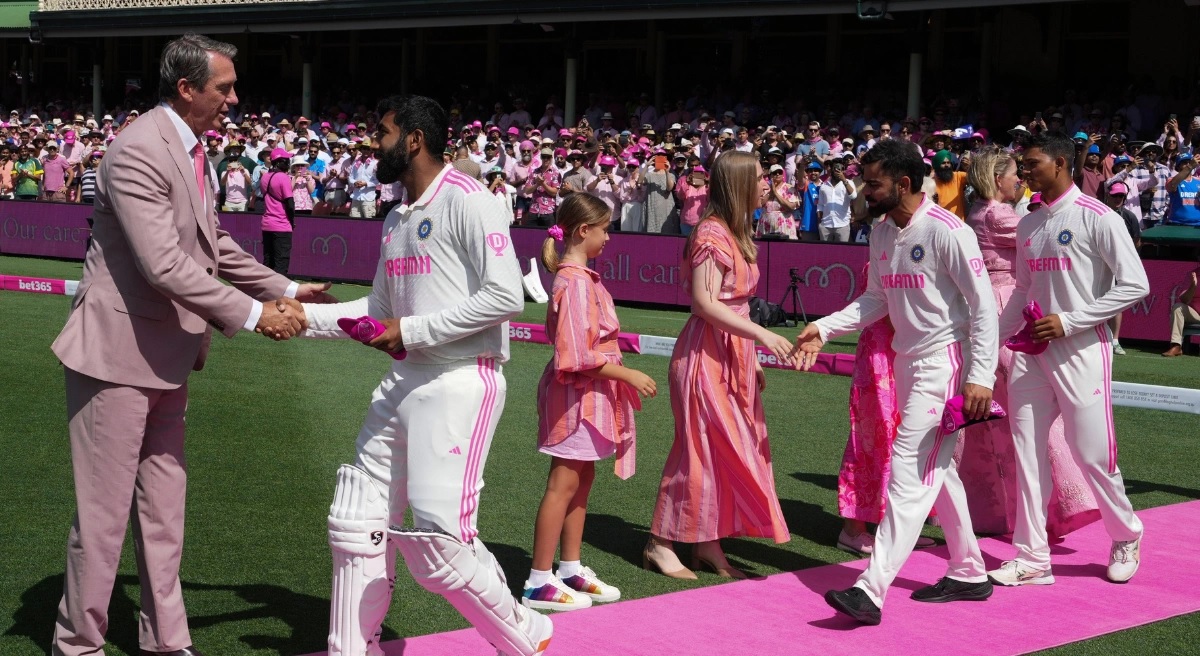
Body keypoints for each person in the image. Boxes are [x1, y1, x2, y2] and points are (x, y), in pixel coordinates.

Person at [48, 34, 333, 656]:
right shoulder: (138, 150)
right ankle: (78, 645)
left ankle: (167, 642)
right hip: (115, 357)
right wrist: (258, 314)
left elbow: (212, 245)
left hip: (166, 356)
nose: (234, 98)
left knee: (163, 514)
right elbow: (164, 264)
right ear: (187, 88)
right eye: (223, 87)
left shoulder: (190, 148)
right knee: (102, 520)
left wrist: (286, 286)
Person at [296, 94, 551, 656]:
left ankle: (525, 634)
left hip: (460, 380)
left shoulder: (472, 201)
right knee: (355, 518)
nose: (373, 144)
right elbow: (378, 311)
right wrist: (297, 317)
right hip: (403, 383)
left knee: (439, 550)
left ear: (413, 138)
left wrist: (411, 332)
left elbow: (507, 296)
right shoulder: (395, 218)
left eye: (382, 133)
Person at [795, 139, 997, 625]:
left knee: (908, 473)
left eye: (873, 183)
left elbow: (983, 305)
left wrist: (980, 375)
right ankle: (969, 570)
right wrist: (823, 327)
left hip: (943, 365)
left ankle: (871, 588)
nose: (866, 191)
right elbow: (875, 300)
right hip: (908, 363)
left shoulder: (949, 230)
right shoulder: (883, 232)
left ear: (903, 184)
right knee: (938, 472)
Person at [989, 131, 1148, 589]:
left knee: (1092, 455)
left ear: (1060, 163)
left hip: (1081, 350)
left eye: (1032, 163)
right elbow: (1021, 291)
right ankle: (1033, 558)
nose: (1024, 172)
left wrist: (1070, 321)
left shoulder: (1098, 217)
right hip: (1030, 354)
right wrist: (991, 342)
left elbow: (1135, 285)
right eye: (1021, 165)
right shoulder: (1028, 224)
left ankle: (1126, 533)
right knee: (1028, 454)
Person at [645, 151, 795, 581]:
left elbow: (731, 305)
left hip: (732, 353)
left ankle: (705, 539)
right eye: (761, 177)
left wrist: (751, 356)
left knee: (724, 449)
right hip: (705, 354)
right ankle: (660, 541)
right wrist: (762, 336)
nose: (767, 184)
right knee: (698, 449)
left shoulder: (734, 230)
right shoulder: (711, 232)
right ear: (740, 184)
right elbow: (704, 302)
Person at [523, 193, 656, 613]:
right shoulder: (575, 281)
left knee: (581, 482)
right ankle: (539, 580)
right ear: (584, 230)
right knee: (563, 484)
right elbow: (575, 356)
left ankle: (569, 567)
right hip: (576, 398)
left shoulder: (578, 278)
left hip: (589, 396)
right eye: (605, 229)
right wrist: (626, 372)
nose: (609, 238)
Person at [959, 146, 1101, 536]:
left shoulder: (977, 212)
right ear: (996, 178)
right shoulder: (1000, 214)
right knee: (1034, 416)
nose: (1019, 180)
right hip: (1010, 308)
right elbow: (1042, 236)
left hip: (992, 310)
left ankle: (1005, 511)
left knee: (999, 421)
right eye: (1013, 174)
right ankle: (1063, 505)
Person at [259, 147, 294, 274]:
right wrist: (292, 221)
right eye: (286, 160)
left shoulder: (265, 177)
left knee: (268, 260)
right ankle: (280, 291)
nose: (288, 163)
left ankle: (265, 290)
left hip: (267, 224)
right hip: (281, 224)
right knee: (281, 261)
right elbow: (290, 202)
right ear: (279, 162)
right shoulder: (283, 177)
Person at [1162, 266, 1200, 357]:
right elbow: (1184, 300)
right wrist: (1193, 286)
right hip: (1196, 314)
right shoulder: (1192, 274)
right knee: (1178, 307)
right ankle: (1176, 346)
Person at [817, 158, 858, 242]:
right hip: (825, 225)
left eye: (841, 169)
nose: (838, 170)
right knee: (825, 252)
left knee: (842, 253)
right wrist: (819, 223)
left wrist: (844, 180)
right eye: (835, 168)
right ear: (831, 169)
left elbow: (853, 196)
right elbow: (820, 205)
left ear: (844, 170)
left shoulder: (849, 182)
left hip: (842, 224)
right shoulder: (824, 185)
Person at [756, 163, 798, 239]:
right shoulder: (766, 188)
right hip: (766, 222)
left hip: (783, 221)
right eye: (775, 173)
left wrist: (776, 194)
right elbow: (760, 204)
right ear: (770, 175)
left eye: (780, 172)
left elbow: (791, 206)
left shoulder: (789, 188)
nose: (778, 174)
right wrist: (771, 192)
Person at [524, 146, 560, 226]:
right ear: (541, 157)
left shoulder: (555, 173)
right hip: (534, 210)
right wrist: (537, 184)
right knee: (531, 236)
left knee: (549, 237)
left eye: (548, 157)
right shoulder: (534, 172)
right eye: (544, 157)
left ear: (551, 158)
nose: (546, 159)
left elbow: (554, 193)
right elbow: (527, 191)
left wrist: (543, 184)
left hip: (548, 211)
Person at [931, 149, 969, 218]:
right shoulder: (931, 182)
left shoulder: (958, 176)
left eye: (948, 162)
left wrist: (969, 167)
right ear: (937, 165)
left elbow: (976, 177)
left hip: (959, 222)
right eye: (943, 163)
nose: (946, 165)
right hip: (941, 222)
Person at [675, 164, 709, 237]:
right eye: (695, 174)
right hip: (686, 223)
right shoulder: (687, 187)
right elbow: (680, 196)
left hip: (702, 224)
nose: (698, 177)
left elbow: (712, 197)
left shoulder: (707, 189)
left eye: (700, 174)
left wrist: (708, 183)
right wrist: (687, 183)